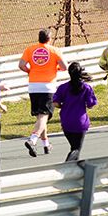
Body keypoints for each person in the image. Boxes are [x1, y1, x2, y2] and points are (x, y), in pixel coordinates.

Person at [19, 29, 66, 157]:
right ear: (49, 39)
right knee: (44, 116)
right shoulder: (54, 50)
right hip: (48, 87)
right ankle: (32, 140)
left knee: (41, 117)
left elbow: (21, 64)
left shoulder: (30, 49)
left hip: (33, 86)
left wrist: (30, 71)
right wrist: (55, 68)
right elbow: (64, 67)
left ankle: (46, 144)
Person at [53, 62, 96, 161]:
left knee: (73, 147)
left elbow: (55, 103)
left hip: (66, 120)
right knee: (76, 149)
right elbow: (91, 105)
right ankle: (68, 165)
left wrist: (63, 106)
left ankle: (72, 166)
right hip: (80, 122)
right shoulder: (86, 87)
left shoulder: (63, 87)